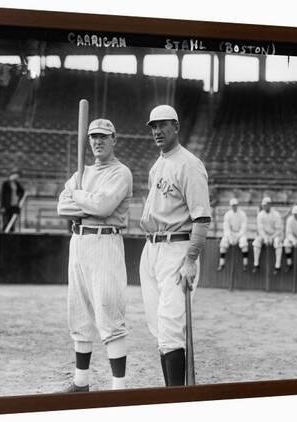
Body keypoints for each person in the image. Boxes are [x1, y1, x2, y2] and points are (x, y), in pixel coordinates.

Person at [57, 118, 133, 392]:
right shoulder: (82, 172)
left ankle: (118, 387)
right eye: (93, 137)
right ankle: (81, 382)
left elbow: (103, 206)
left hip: (105, 242)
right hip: (79, 241)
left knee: (108, 311)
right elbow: (61, 207)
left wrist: (79, 196)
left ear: (114, 139)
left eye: (103, 136)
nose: (97, 141)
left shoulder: (120, 172)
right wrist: (84, 200)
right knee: (78, 312)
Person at [139, 105, 211, 386]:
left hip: (177, 249)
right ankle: (172, 393)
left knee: (170, 329)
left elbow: (202, 219)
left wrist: (191, 259)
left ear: (176, 127)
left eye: (163, 125)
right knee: (159, 329)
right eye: (153, 126)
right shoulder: (158, 164)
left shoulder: (189, 164)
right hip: (152, 249)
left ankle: (176, 398)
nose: (157, 131)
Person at [253, 197, 283, 275]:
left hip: (275, 235)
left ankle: (277, 266)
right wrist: (265, 237)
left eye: (265, 205)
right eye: (263, 205)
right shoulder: (260, 215)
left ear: (269, 205)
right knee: (256, 242)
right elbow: (260, 229)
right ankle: (256, 265)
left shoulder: (276, 214)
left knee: (277, 242)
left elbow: (279, 229)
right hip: (264, 236)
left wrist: (271, 237)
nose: (264, 206)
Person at [217, 197, 249, 271]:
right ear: (230, 206)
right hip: (230, 234)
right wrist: (230, 238)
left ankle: (245, 264)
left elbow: (244, 228)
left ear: (237, 205)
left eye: (235, 205)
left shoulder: (243, 214)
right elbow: (226, 228)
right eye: (232, 205)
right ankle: (222, 264)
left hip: (240, 234)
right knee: (224, 242)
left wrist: (237, 237)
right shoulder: (227, 214)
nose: (234, 207)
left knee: (244, 242)